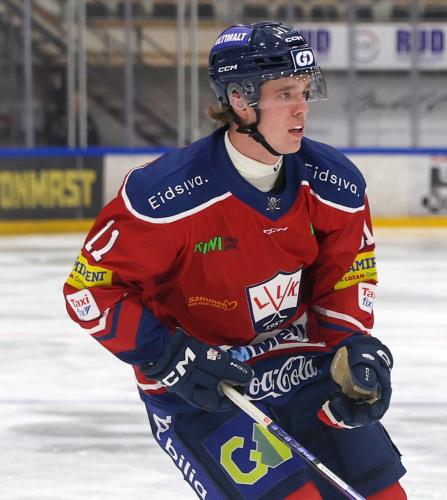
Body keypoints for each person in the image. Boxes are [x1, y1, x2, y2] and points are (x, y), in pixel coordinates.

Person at [63, 21, 407, 500]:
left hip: (299, 368)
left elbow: (346, 278)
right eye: (284, 93)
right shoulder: (165, 196)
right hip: (206, 389)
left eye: (305, 91)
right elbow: (90, 290)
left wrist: (353, 346)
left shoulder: (335, 183)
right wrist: (165, 353)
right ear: (241, 100)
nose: (302, 108)